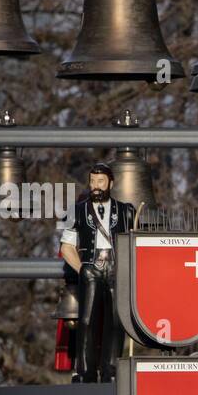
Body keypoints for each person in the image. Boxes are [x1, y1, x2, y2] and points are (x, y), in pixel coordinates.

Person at [59, 163, 135, 383]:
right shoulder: (77, 210)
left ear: (111, 183)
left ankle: (111, 369)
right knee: (86, 319)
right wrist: (82, 268)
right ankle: (85, 370)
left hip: (116, 267)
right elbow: (66, 246)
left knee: (116, 320)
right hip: (91, 267)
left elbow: (135, 242)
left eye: (100, 181)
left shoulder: (126, 211)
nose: (96, 186)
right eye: (92, 181)